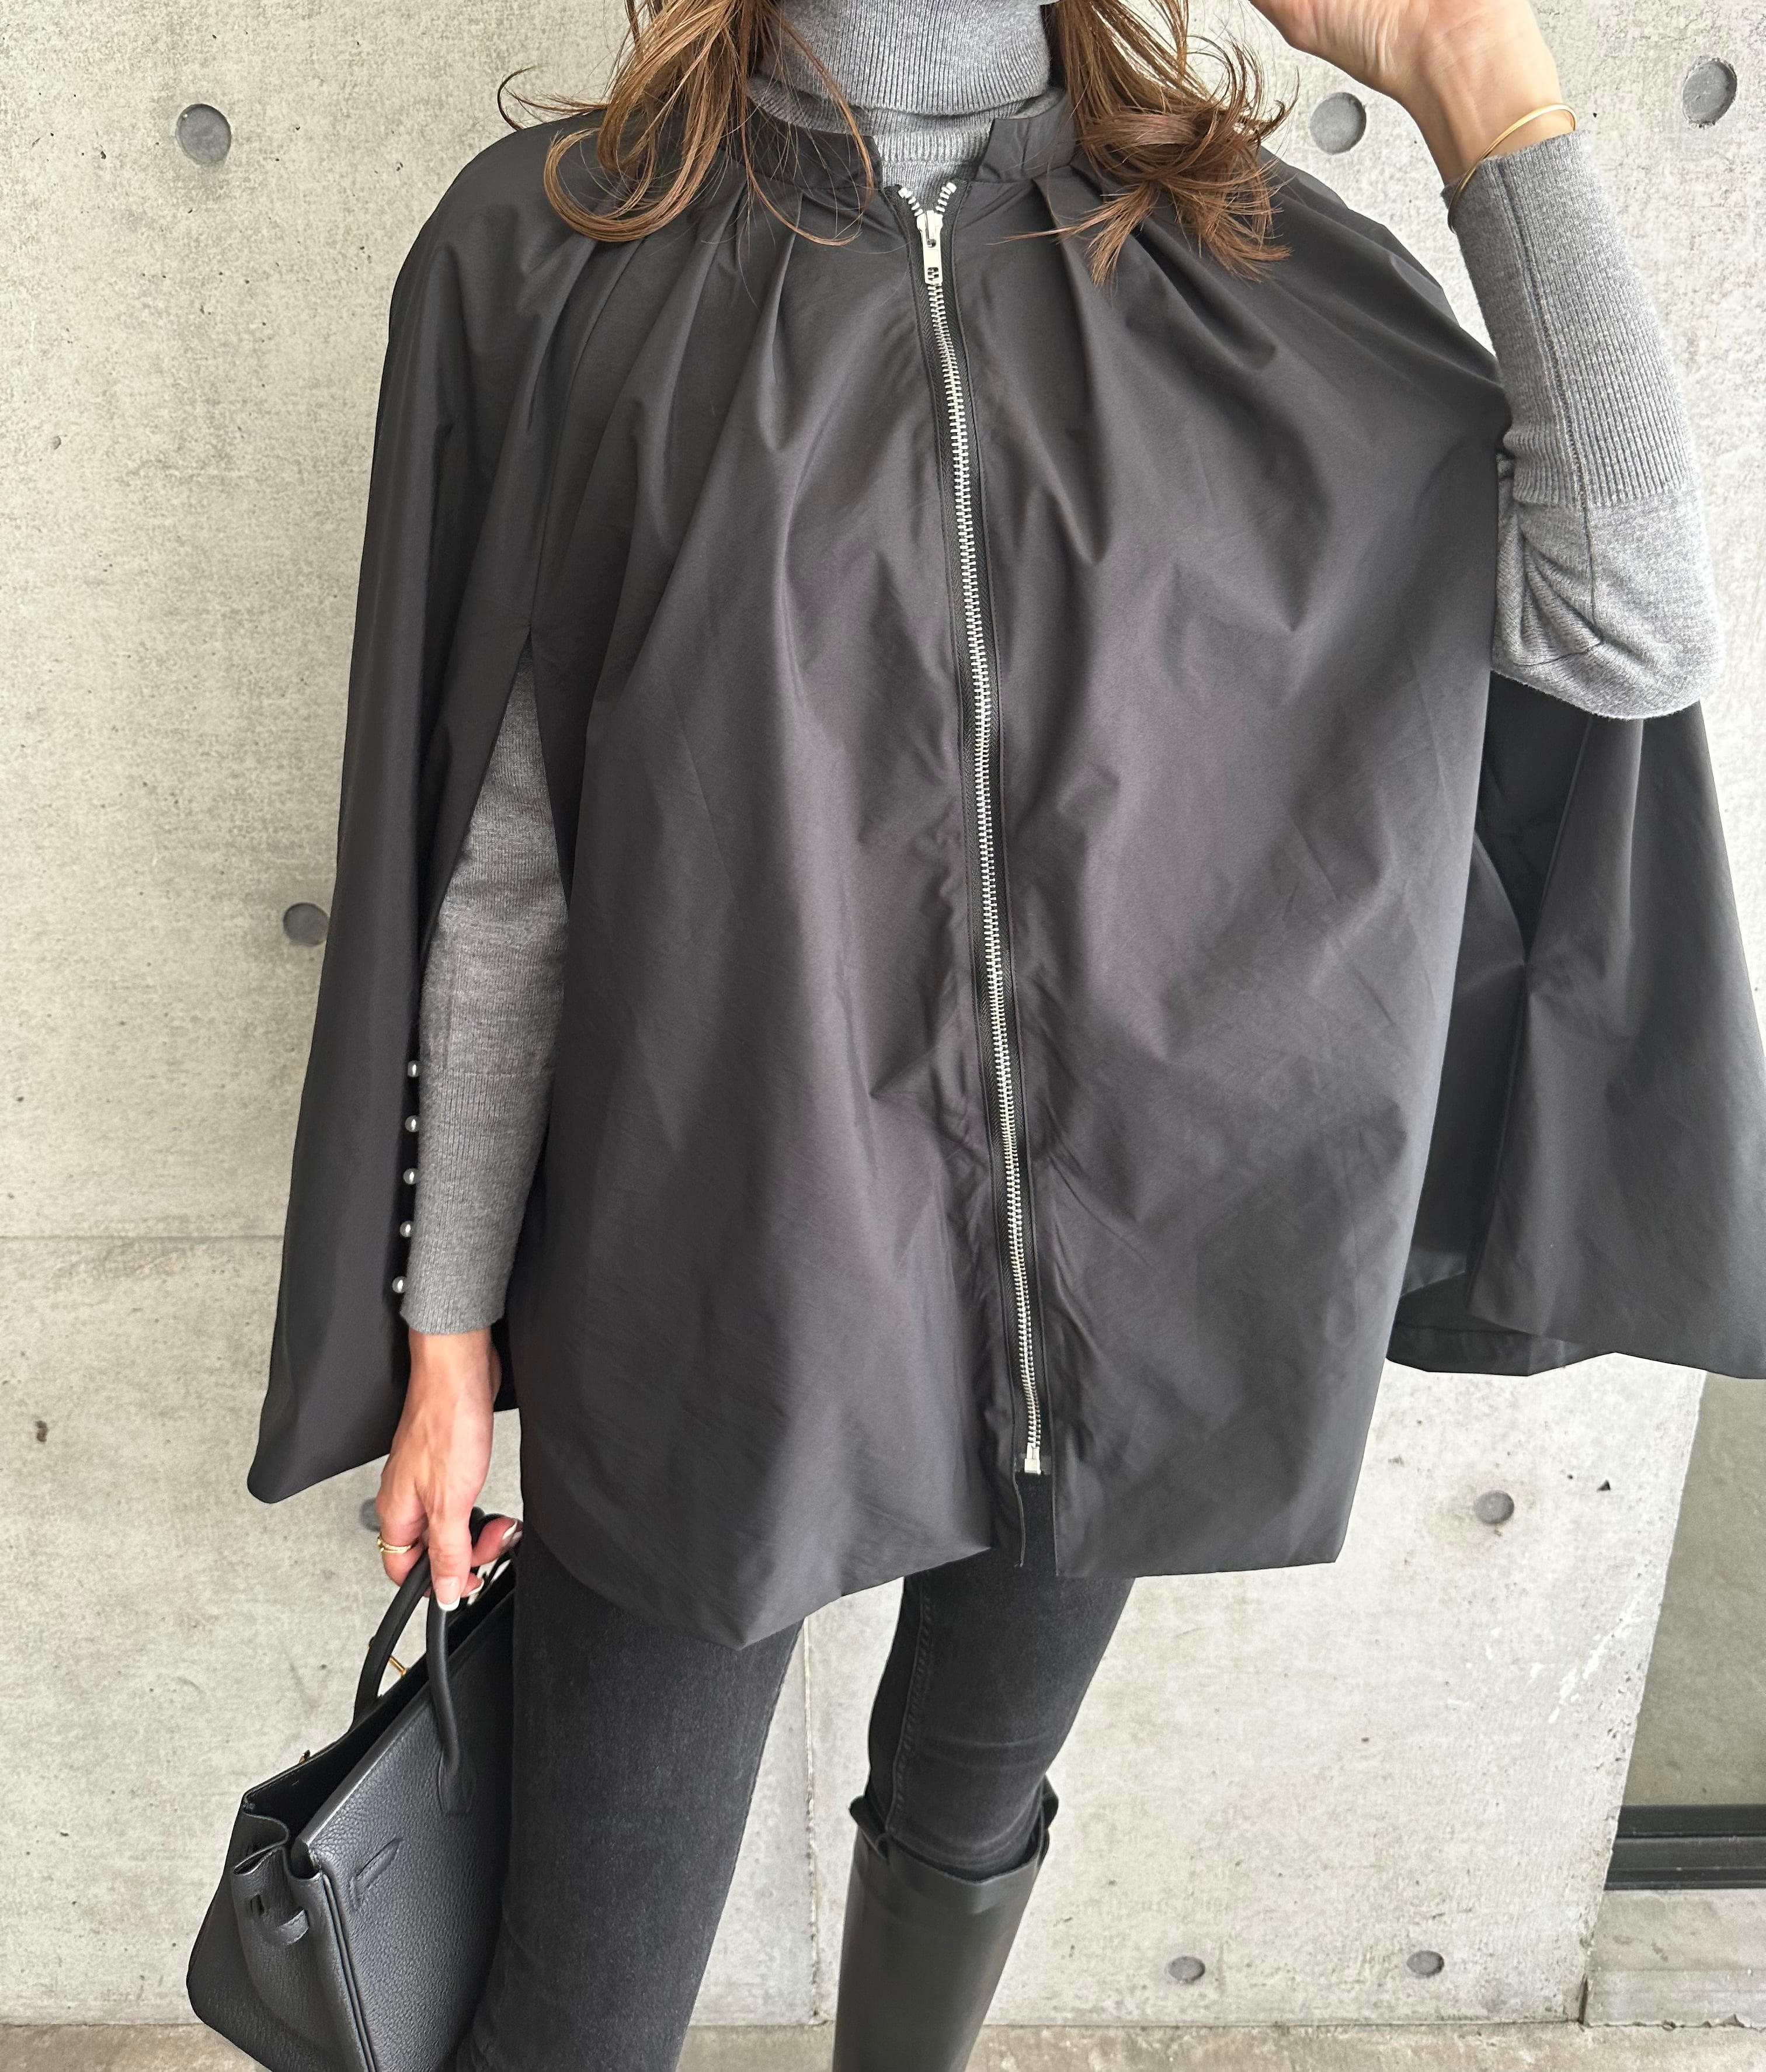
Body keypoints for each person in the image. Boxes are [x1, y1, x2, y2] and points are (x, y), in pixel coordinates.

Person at [319, 0, 1732, 2063]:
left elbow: (1627, 617)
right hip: (726, 1272)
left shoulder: (1248, 266)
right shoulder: (566, 257)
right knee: (583, 2004)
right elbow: (505, 872)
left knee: (962, 1823)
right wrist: (446, 1333)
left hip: (1124, 1276)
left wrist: (1467, 67)